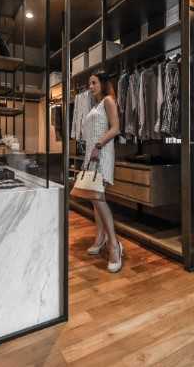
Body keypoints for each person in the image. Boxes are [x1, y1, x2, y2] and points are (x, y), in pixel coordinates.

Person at [82, 72, 123, 272]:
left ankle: (114, 245)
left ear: (103, 83)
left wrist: (98, 144)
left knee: (97, 197)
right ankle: (100, 238)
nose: (90, 86)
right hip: (92, 154)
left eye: (94, 82)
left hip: (103, 152)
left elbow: (115, 128)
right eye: (89, 83)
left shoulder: (108, 100)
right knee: (94, 198)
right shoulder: (96, 105)